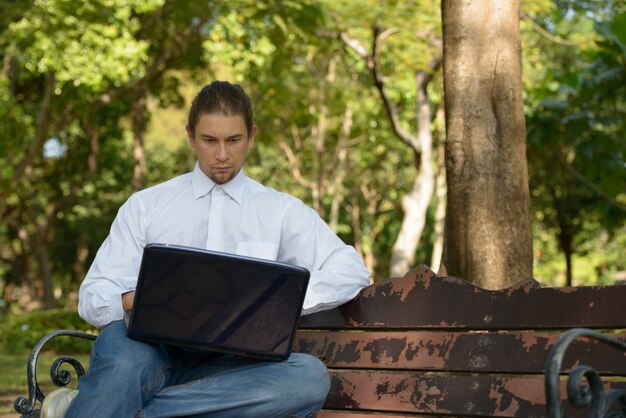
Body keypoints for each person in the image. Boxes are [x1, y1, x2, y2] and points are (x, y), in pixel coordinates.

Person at [41, 80, 370, 418]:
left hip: (232, 367)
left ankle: (105, 409)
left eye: (234, 140)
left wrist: (275, 301)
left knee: (308, 380)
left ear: (252, 136)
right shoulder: (145, 206)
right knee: (123, 359)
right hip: (147, 350)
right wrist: (138, 299)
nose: (222, 154)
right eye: (209, 141)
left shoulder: (281, 210)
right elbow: (92, 296)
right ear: (190, 136)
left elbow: (350, 269)